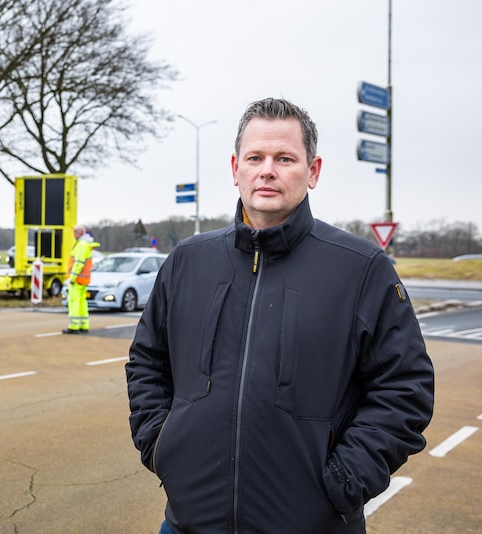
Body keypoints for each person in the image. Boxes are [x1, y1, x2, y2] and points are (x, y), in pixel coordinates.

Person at [125, 98, 434, 533]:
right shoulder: (187, 261)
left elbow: (405, 387)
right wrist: (161, 445)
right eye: (255, 157)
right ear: (236, 168)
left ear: (313, 171)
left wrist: (344, 481)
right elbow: (147, 361)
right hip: (187, 523)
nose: (267, 170)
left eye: (285, 158)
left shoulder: (361, 269)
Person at [63, 224, 98, 334]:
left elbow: (78, 263)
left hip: (77, 280)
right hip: (83, 280)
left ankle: (73, 327)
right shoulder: (85, 244)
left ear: (81, 232)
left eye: (76, 232)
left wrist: (72, 278)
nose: (74, 234)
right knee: (82, 302)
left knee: (74, 302)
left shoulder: (81, 245)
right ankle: (84, 325)